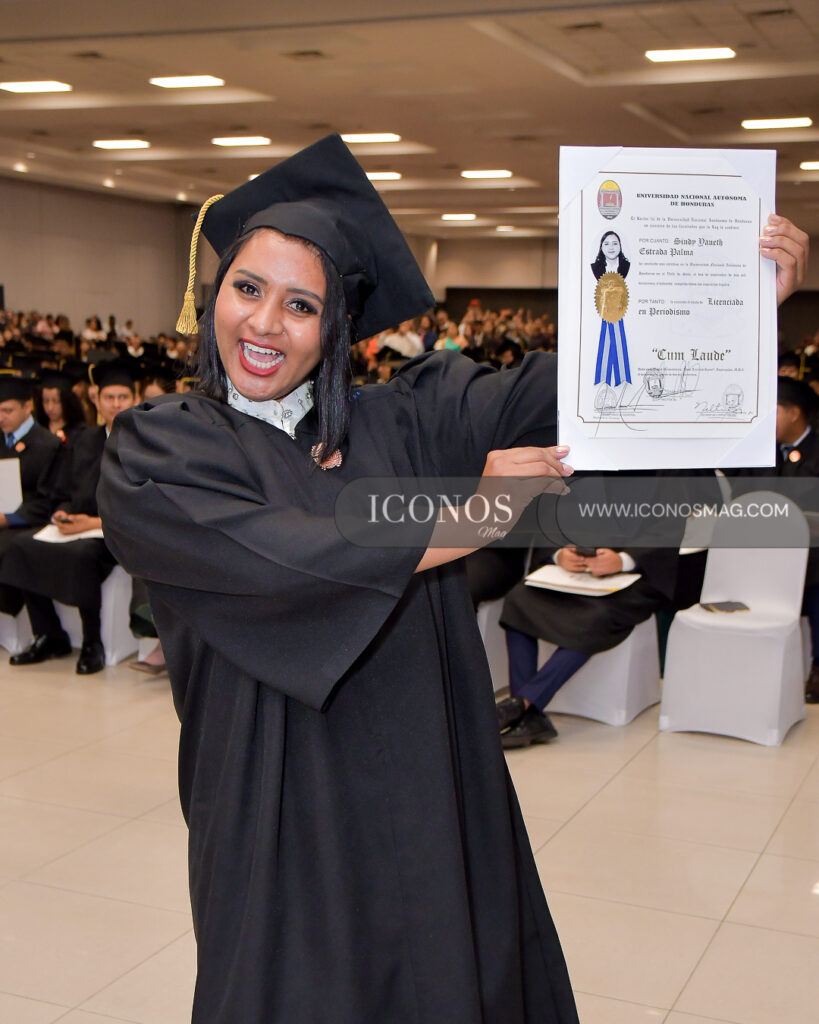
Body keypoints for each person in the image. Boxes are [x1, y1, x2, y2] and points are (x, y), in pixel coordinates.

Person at [97, 135, 579, 1024]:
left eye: (301, 304)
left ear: (335, 328)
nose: (265, 324)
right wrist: (471, 517)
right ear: (212, 298)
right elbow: (280, 556)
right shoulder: (164, 446)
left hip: (428, 784)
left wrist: (729, 310)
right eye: (247, 289)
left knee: (443, 975)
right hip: (275, 802)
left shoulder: (407, 420)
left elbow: (578, 389)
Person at [2, 359, 137, 674]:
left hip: (115, 533)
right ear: (96, 400)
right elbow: (62, 487)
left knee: (82, 556)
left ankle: (92, 642)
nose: (116, 405)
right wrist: (63, 512)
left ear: (135, 399)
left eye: (123, 398)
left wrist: (94, 523)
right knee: (22, 546)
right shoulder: (84, 440)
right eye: (109, 398)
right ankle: (49, 634)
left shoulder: (146, 440)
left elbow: (144, 502)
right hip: (77, 524)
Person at [0, 376, 63, 616]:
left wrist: (8, 518)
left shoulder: (49, 445)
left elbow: (48, 500)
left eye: (7, 410)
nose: (1, 417)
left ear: (27, 407)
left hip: (27, 520)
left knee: (9, 547)